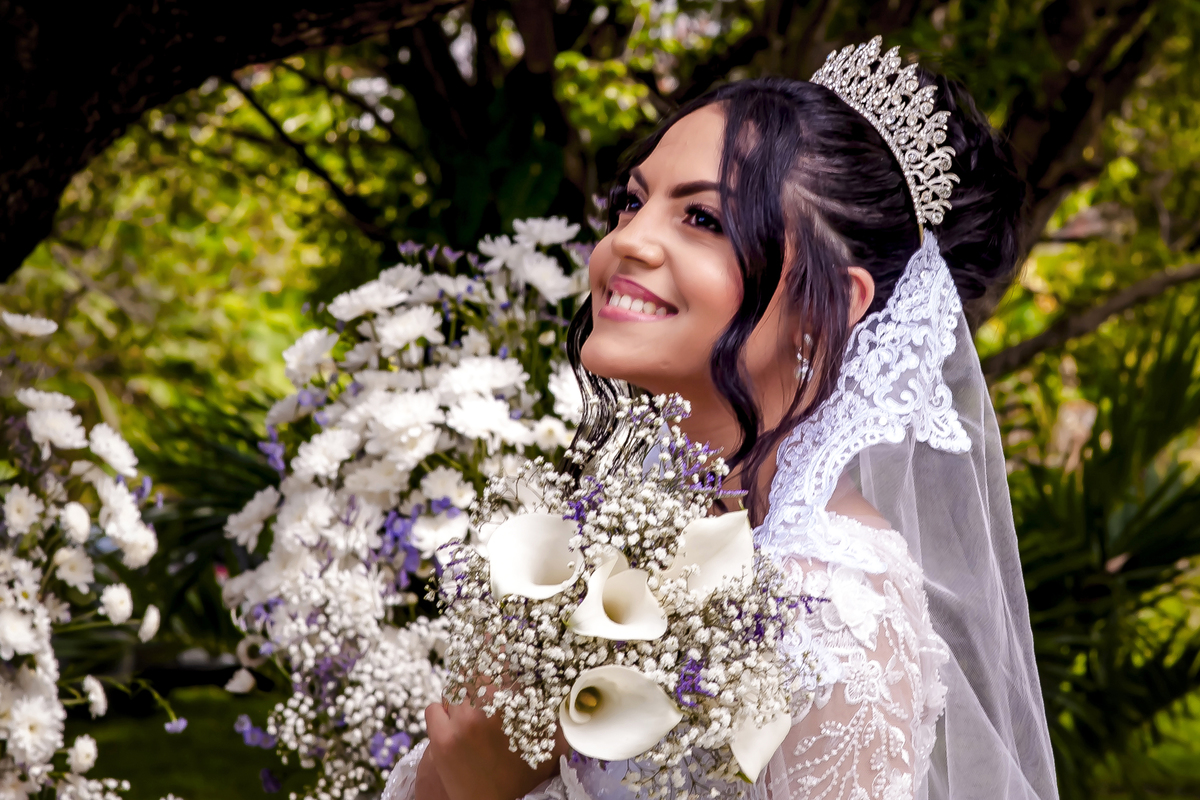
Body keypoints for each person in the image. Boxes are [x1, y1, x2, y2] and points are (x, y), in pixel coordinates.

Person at [384, 38, 1058, 800]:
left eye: (702, 218)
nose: (627, 240)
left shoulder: (836, 613)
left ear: (831, 303)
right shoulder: (605, 535)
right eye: (634, 202)